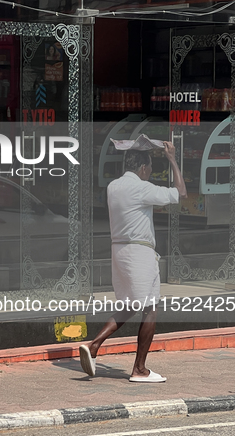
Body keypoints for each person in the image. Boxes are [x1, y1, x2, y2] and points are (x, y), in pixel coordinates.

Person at [79, 142, 187, 382]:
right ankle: (139, 369)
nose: (149, 172)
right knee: (149, 308)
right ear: (142, 167)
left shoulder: (113, 187)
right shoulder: (141, 188)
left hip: (119, 252)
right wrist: (172, 159)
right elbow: (181, 193)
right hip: (140, 254)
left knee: (129, 305)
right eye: (148, 167)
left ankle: (95, 346)